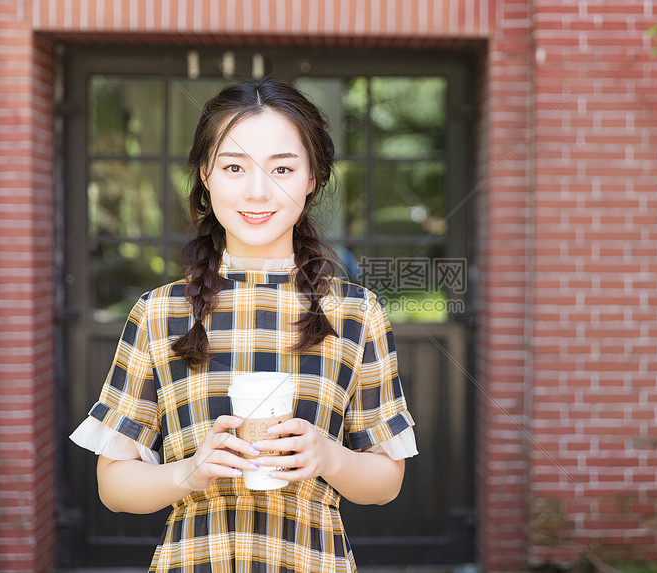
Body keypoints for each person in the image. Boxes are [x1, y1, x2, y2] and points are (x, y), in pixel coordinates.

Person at [69, 78, 418, 572]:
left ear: (312, 178)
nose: (258, 191)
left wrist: (328, 458)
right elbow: (114, 488)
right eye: (235, 167)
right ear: (206, 177)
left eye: (282, 168)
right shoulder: (158, 312)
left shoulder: (357, 313)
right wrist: (188, 474)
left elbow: (386, 482)